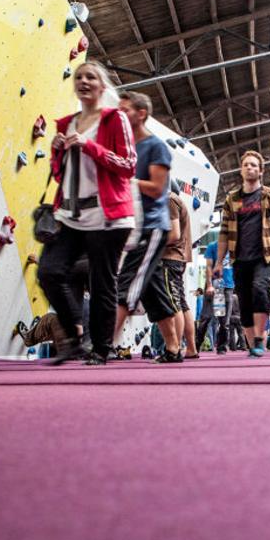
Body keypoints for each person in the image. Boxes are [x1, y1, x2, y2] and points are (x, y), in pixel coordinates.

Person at [37, 60, 136, 365]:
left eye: (90, 77)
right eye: (79, 77)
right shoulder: (66, 123)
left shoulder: (114, 120)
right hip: (70, 216)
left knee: (102, 283)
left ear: (101, 86)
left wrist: (90, 146)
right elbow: (60, 176)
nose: (83, 81)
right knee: (50, 271)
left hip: (108, 216)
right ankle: (72, 338)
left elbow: (128, 165)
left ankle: (101, 349)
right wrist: (57, 152)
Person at [111, 93, 183, 364]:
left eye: (125, 110)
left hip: (152, 226)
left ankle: (100, 347)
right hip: (133, 225)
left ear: (140, 113)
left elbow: (156, 188)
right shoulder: (126, 148)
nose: (119, 115)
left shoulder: (155, 146)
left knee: (126, 285)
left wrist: (127, 180)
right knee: (153, 292)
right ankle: (173, 348)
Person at [213, 151, 270, 358]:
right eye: (246, 165)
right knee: (245, 302)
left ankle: (259, 338)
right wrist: (218, 263)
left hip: (265, 257)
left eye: (254, 165)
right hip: (239, 259)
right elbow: (223, 233)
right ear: (241, 170)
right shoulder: (232, 200)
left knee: (260, 290)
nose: (250, 168)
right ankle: (252, 344)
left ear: (261, 171)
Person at [162, 190, 198, 358]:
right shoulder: (176, 200)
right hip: (179, 258)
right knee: (181, 303)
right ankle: (191, 348)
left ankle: (174, 348)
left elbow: (174, 234)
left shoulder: (169, 200)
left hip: (170, 256)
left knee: (173, 302)